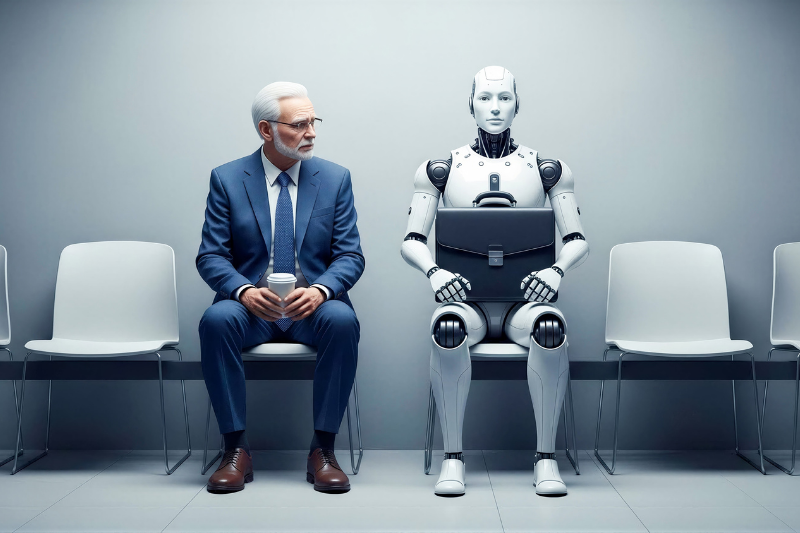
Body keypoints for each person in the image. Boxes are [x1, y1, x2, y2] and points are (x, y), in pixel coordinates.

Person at [400, 66, 589, 496]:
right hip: (467, 301)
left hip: (526, 301)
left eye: (504, 98)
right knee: (446, 329)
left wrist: (556, 269)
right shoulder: (440, 169)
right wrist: (435, 272)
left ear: (518, 104)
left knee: (550, 327)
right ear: (470, 104)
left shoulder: (547, 169)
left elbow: (577, 240)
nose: (495, 107)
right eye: (485, 98)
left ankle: (546, 459)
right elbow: (411, 240)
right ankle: (453, 458)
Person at [197, 82, 365, 494]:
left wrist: (322, 290)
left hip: (312, 309)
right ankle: (236, 450)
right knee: (216, 320)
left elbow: (351, 256)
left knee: (343, 320)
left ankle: (322, 450)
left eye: (314, 122)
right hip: (252, 309)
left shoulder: (335, 178)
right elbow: (211, 256)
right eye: (300, 124)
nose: (312, 133)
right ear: (266, 130)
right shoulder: (228, 178)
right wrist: (243, 292)